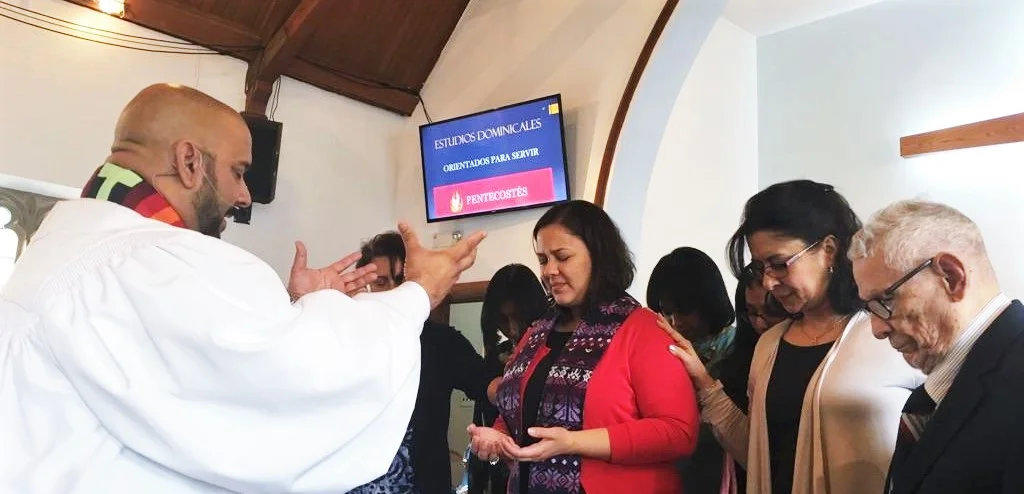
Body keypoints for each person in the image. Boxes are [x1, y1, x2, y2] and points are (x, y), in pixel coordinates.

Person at [0, 83, 486, 493]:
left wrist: (296, 310)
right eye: (238, 171)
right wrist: (419, 291)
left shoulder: (79, 243)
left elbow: (208, 382)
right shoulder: (147, 260)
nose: (244, 195)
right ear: (189, 161)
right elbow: (297, 377)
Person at [663, 180, 923, 494]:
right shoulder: (769, 345)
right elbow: (757, 454)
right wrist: (704, 383)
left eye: (779, 264)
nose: (769, 282)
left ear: (829, 250)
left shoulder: (885, 335)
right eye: (761, 267)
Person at [468, 200, 700, 494]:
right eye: (543, 259)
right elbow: (519, 412)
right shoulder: (536, 333)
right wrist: (498, 436)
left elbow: (679, 432)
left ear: (598, 256)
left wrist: (574, 442)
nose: (549, 270)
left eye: (562, 257)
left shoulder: (643, 329)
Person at [848, 200, 1024, 494]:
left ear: (951, 277)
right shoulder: (938, 391)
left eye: (886, 300)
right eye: (870, 307)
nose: (877, 329)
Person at [350, 231, 501, 494]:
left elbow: (489, 385)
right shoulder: (346, 339)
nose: (393, 291)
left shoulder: (440, 341)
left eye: (402, 281)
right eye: (381, 282)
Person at [647, 247, 738, 494]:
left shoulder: (737, 347)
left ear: (708, 302)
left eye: (684, 311)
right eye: (667, 312)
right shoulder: (660, 346)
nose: (676, 322)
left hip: (714, 470)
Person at [468, 263, 549, 494]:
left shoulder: (553, 352)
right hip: (499, 473)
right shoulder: (495, 359)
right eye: (504, 320)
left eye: (518, 318)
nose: (512, 329)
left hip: (543, 471)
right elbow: (486, 412)